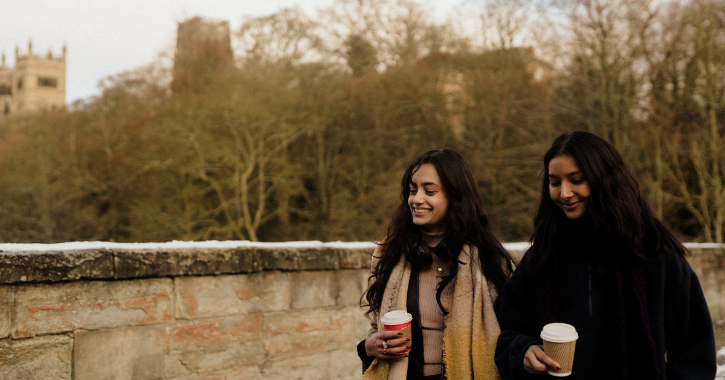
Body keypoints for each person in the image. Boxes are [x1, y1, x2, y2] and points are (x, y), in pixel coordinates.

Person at [494, 131, 717, 379]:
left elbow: (695, 350)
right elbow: (507, 330)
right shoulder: (541, 258)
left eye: (576, 180)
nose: (564, 193)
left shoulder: (656, 256)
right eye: (555, 182)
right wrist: (523, 350)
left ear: (605, 180)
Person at [357, 149, 515, 380]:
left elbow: (510, 335)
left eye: (429, 191)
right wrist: (367, 347)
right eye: (412, 190)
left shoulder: (490, 261)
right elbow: (375, 328)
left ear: (455, 196)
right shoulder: (388, 254)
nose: (417, 199)